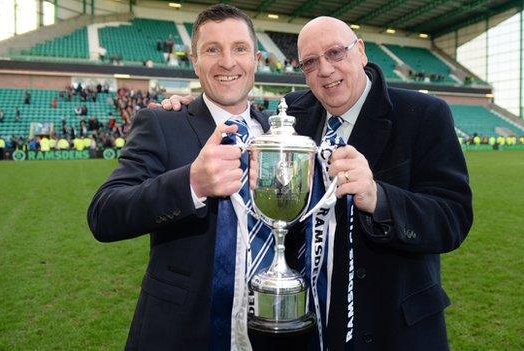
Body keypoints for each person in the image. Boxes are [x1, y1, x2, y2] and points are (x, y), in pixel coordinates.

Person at [160, 15, 473, 350]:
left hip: (392, 328)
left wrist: (378, 197)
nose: (324, 70)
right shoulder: (295, 112)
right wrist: (187, 110)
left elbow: (452, 218)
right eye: (310, 62)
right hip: (310, 325)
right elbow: (240, 124)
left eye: (336, 53)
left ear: (361, 52)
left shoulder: (423, 114)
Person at [87, 5, 275, 350]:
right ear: (194, 61)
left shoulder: (279, 131)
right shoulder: (162, 122)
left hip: (269, 328)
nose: (228, 62)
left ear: (256, 59)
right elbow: (104, 213)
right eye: (212, 49)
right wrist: (191, 184)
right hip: (183, 332)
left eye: (239, 48)